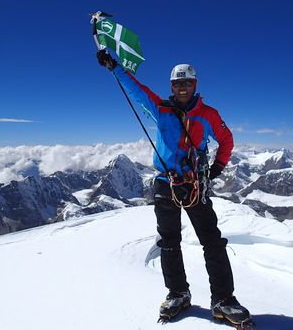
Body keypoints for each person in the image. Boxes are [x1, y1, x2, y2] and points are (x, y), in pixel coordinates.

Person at [97, 50, 251, 327]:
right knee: (168, 241)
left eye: (187, 83)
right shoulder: (161, 109)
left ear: (195, 84)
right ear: (172, 87)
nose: (182, 88)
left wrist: (217, 169)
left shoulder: (208, 114)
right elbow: (137, 90)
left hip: (195, 184)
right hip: (165, 183)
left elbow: (226, 140)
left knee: (212, 241)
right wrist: (114, 67)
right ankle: (178, 293)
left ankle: (224, 299)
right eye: (177, 84)